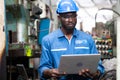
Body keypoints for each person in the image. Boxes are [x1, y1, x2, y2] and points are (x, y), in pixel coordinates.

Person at [38, 0, 104, 80]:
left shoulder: (87, 39)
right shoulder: (48, 40)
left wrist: (95, 73)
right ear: (59, 18)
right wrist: (49, 72)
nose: (70, 20)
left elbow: (99, 68)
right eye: (66, 17)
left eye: (73, 16)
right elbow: (43, 68)